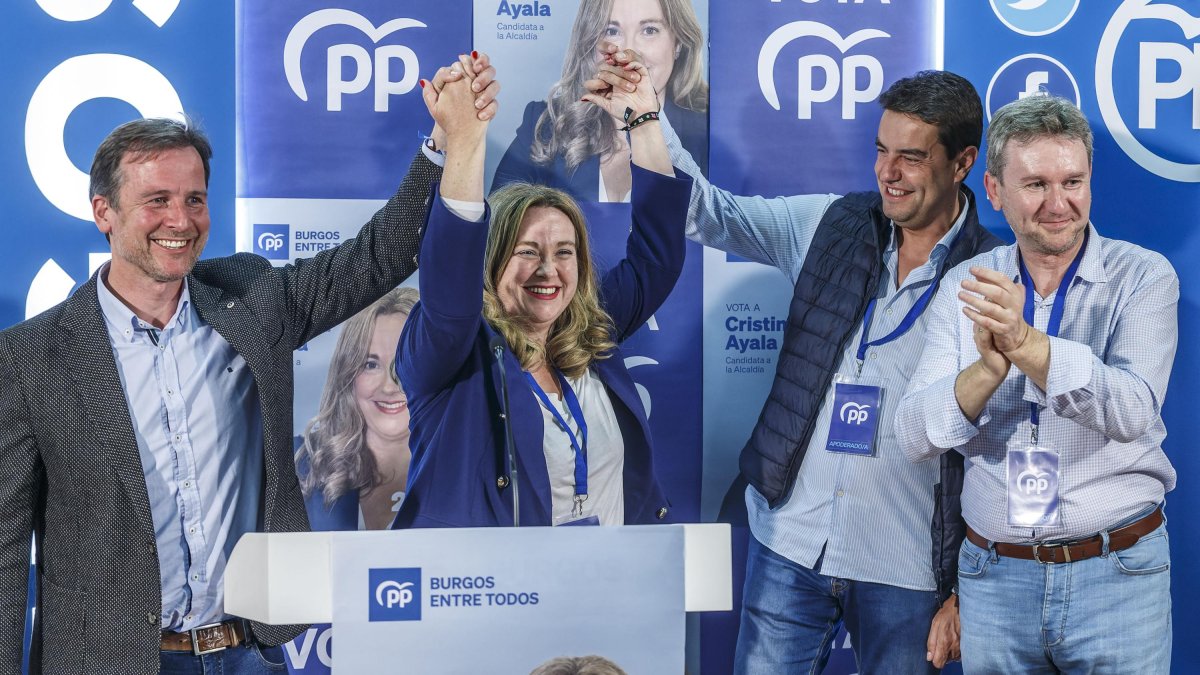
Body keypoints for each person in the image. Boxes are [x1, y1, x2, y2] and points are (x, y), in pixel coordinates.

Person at [0, 59, 498, 673]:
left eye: (194, 200)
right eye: (157, 201)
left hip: (245, 655)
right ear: (104, 211)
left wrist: (442, 143)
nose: (180, 221)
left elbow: (378, 256)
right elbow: (4, 547)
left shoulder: (250, 300)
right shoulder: (33, 355)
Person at [590, 59, 1004, 673]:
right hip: (791, 544)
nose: (888, 173)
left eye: (912, 158)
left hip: (909, 568)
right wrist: (646, 117)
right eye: (881, 150)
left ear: (963, 163)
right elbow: (708, 212)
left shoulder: (995, 277)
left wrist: (969, 585)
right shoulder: (829, 224)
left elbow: (1002, 453)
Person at [896, 95, 1177, 673]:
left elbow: (1133, 412)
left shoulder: (1144, 277)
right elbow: (913, 434)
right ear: (995, 191)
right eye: (1035, 185)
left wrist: (1024, 345)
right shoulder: (966, 287)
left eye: (1072, 180)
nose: (1058, 204)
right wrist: (988, 371)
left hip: (1118, 574)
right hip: (995, 580)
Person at [393, 52, 691, 529]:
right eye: (528, 251)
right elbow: (449, 287)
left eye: (565, 252)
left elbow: (658, 257)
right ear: (489, 262)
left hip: (605, 592)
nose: (548, 270)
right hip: (491, 596)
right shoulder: (449, 354)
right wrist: (467, 140)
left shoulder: (590, 330)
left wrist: (645, 120)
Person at [492, 0, 707, 203]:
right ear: (589, 43)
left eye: (649, 30)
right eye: (611, 31)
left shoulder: (709, 132)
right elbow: (498, 225)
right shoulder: (545, 124)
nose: (629, 52)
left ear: (678, 43)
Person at [297, 286, 420, 532]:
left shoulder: (468, 468)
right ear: (348, 374)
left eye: (404, 363)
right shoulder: (301, 463)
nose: (389, 385)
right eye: (371, 364)